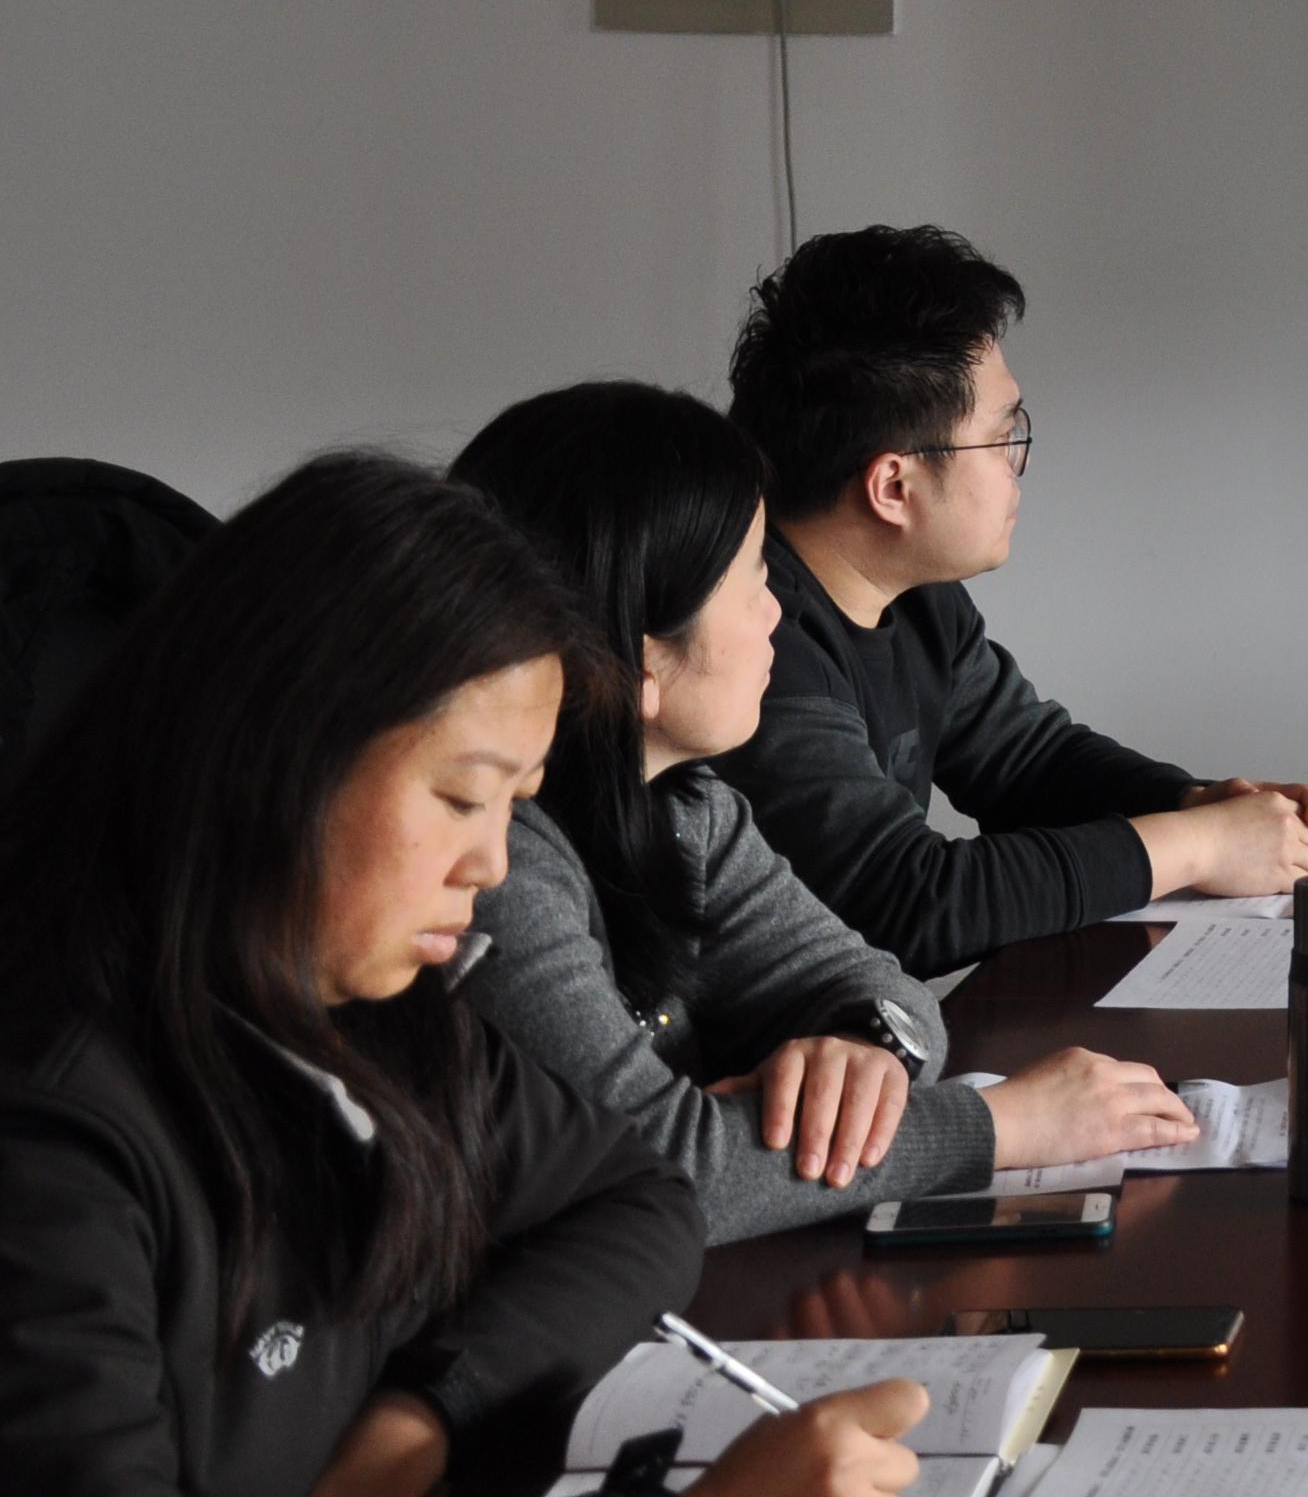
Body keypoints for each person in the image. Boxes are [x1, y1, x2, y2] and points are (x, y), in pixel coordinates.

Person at [0, 449, 927, 1497]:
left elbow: (638, 1195)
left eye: (514, 805)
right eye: (459, 798)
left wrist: (423, 1420)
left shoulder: (377, 1018)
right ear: (278, 754)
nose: (489, 866)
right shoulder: (54, 1139)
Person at [450, 383, 1203, 1242]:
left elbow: (883, 987)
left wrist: (863, 1050)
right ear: (639, 663)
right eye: (752, 583)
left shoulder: (689, 810)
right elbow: (652, 1169)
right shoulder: (489, 863)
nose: (777, 614)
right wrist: (1004, 1127)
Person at [713, 226, 1308, 972]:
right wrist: (1200, 847)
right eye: (1002, 436)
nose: (1016, 466)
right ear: (893, 486)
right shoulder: (750, 639)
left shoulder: (919, 599)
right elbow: (907, 903)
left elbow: (1026, 761)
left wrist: (1190, 802)